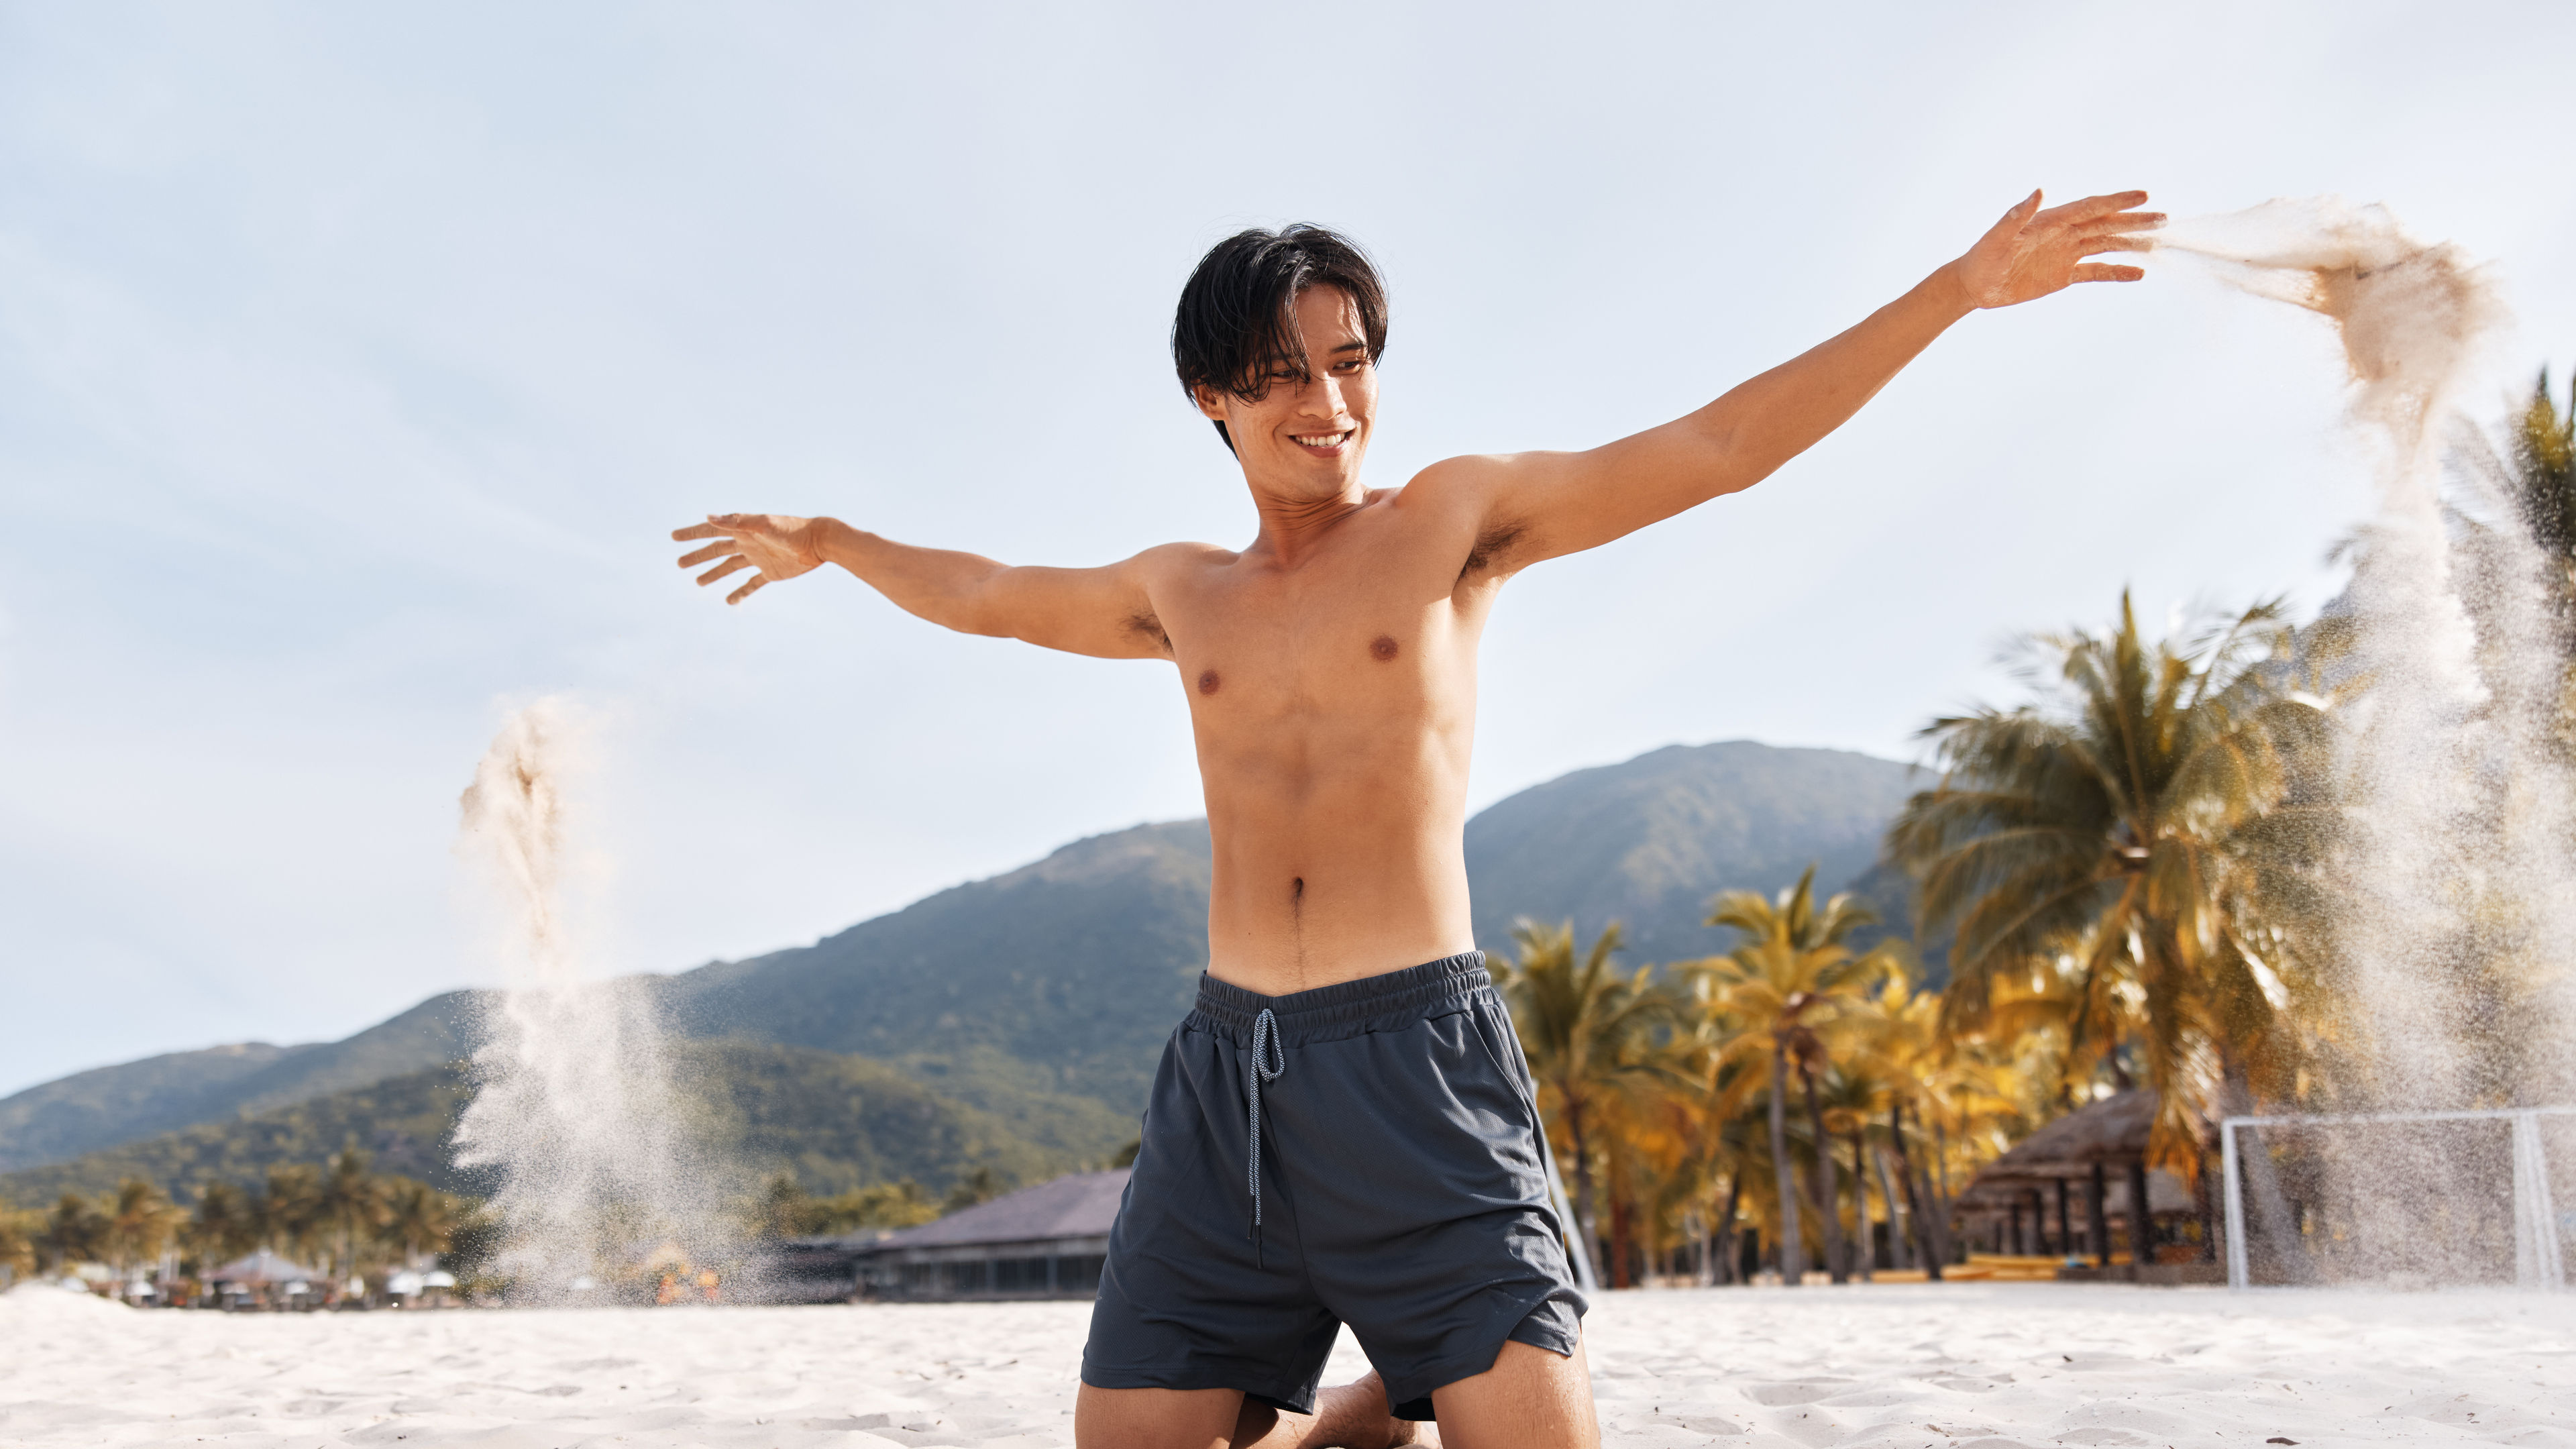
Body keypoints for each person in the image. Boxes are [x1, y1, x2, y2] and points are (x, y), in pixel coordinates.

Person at [673, 189, 2158, 1449]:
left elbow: (1718, 448)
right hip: (1228, 1079)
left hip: (1418, 1062)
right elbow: (992, 598)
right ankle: (1363, 1397)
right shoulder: (1181, 589)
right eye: (1283, 377)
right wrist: (832, 542)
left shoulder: (1450, 525)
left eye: (1350, 363)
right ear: (1213, 396)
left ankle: (1391, 1376)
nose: (1329, 406)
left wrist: (1959, 291)